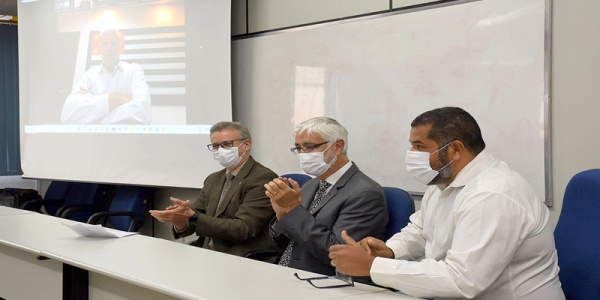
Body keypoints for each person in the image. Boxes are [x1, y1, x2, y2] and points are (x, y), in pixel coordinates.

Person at [329, 107, 565, 299]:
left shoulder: (492, 194)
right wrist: (391, 251)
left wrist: (372, 267)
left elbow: (463, 280)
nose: (411, 153)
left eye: (420, 146)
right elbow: (421, 231)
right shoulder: (443, 180)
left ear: (455, 149)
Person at [264, 116, 387, 278]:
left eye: (309, 147)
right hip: (285, 271)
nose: (302, 154)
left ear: (337, 146)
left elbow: (338, 255)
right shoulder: (311, 184)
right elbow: (284, 244)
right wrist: (282, 216)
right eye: (298, 148)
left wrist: (293, 211)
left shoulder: (365, 193)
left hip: (319, 280)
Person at [149, 121, 278, 256]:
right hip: (207, 252)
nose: (220, 150)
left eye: (227, 144)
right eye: (215, 146)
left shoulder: (262, 178)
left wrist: (192, 216)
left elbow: (243, 229)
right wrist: (180, 220)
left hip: (241, 255)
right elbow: (195, 219)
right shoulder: (213, 179)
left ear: (246, 145)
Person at [61, 28, 151, 124]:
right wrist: (117, 98)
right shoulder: (88, 77)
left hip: (126, 138)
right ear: (100, 48)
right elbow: (67, 116)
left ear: (120, 48)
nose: (109, 48)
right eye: (105, 43)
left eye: (113, 43)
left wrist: (95, 110)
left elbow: (143, 113)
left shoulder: (134, 71)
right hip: (94, 139)